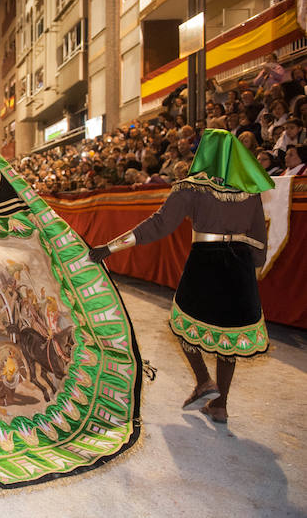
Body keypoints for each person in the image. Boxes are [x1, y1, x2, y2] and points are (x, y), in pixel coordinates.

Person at [90, 129, 272, 424]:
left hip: (206, 261)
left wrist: (111, 247)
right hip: (239, 265)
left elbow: (159, 224)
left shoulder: (191, 187)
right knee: (229, 337)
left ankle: (204, 381)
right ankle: (221, 406)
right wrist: (252, 268)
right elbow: (260, 240)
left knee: (182, 324)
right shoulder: (250, 190)